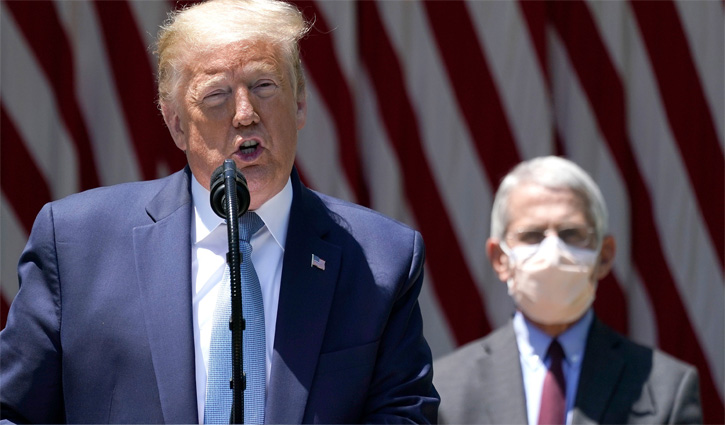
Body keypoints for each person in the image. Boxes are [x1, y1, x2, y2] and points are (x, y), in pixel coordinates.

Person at [0, 0, 439, 423]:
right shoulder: (76, 243)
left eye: (264, 86)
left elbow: (405, 414)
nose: (245, 115)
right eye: (216, 95)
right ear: (176, 124)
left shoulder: (382, 258)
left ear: (300, 103)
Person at [433, 156, 702, 424]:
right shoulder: (445, 389)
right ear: (499, 259)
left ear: (604, 255)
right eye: (532, 235)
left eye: (571, 234)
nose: (553, 252)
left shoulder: (667, 388)